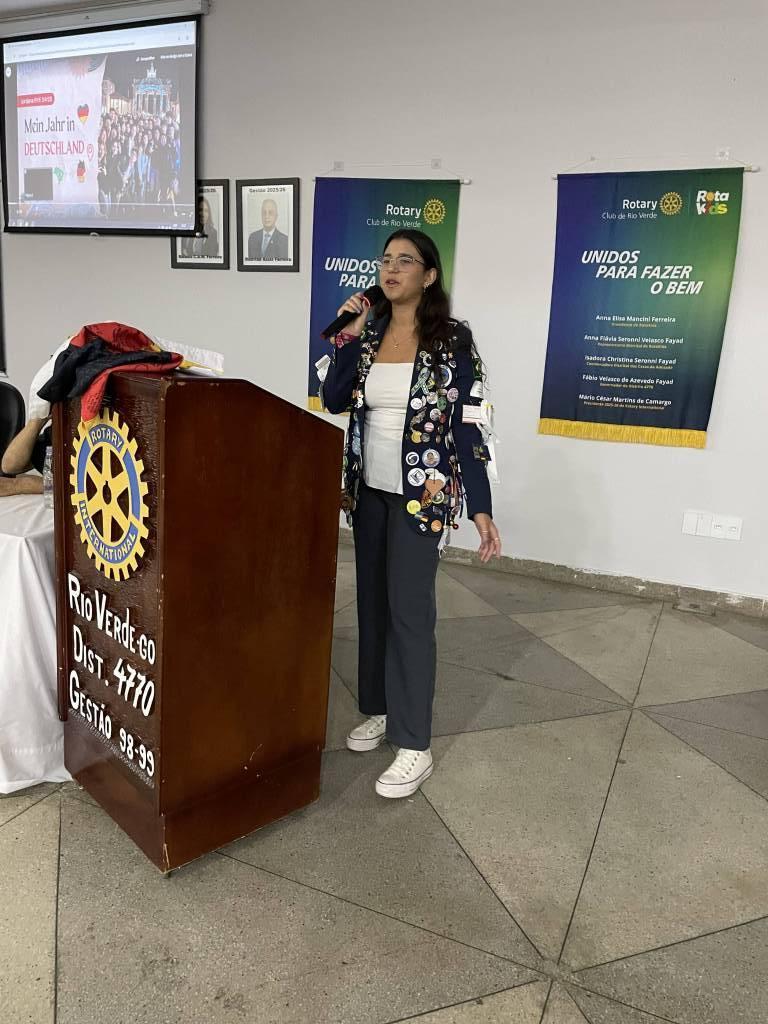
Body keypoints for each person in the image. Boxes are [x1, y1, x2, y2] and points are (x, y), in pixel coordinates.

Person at [322, 229, 502, 799]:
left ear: (429, 275)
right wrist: (348, 335)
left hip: (422, 498)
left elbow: (469, 423)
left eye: (406, 261)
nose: (392, 269)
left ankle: (414, 743)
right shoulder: (369, 332)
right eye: (385, 260)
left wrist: (481, 506)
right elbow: (333, 399)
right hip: (369, 494)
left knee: (409, 613)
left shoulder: (452, 340)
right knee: (373, 606)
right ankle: (380, 710)